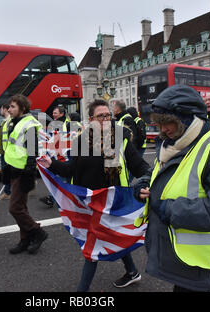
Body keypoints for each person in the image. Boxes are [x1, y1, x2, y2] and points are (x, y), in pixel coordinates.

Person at [134, 85, 210, 292]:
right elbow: (164, 173)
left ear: (189, 119)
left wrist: (169, 209)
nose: (163, 129)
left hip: (202, 259)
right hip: (182, 255)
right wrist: (143, 184)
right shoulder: (177, 143)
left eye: (169, 122)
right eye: (160, 123)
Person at [38, 99, 151, 292]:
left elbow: (141, 167)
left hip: (112, 201)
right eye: (101, 116)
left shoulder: (119, 138)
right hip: (88, 202)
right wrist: (52, 165)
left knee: (92, 249)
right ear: (91, 119)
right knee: (112, 236)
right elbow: (70, 170)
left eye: (108, 115)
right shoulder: (80, 141)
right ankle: (132, 271)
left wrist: (147, 181)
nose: (106, 119)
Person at [4, 94, 48, 255]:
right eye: (9, 107)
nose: (9, 109)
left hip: (23, 171)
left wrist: (29, 170)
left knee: (15, 208)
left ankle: (37, 232)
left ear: (22, 108)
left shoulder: (28, 124)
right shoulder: (14, 122)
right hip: (14, 169)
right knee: (21, 207)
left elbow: (32, 150)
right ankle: (25, 239)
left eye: (13, 107)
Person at [39, 105, 71, 207]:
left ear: (61, 114)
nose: (53, 115)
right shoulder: (59, 124)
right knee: (60, 178)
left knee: (62, 179)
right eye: (53, 113)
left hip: (64, 156)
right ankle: (53, 198)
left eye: (55, 113)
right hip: (59, 156)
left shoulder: (64, 124)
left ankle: (57, 199)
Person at [0, 104, 12, 201]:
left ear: (5, 109)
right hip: (4, 152)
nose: (0, 111)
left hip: (8, 152)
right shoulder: (5, 122)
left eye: (1, 109)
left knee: (7, 173)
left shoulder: (10, 121)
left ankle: (8, 193)